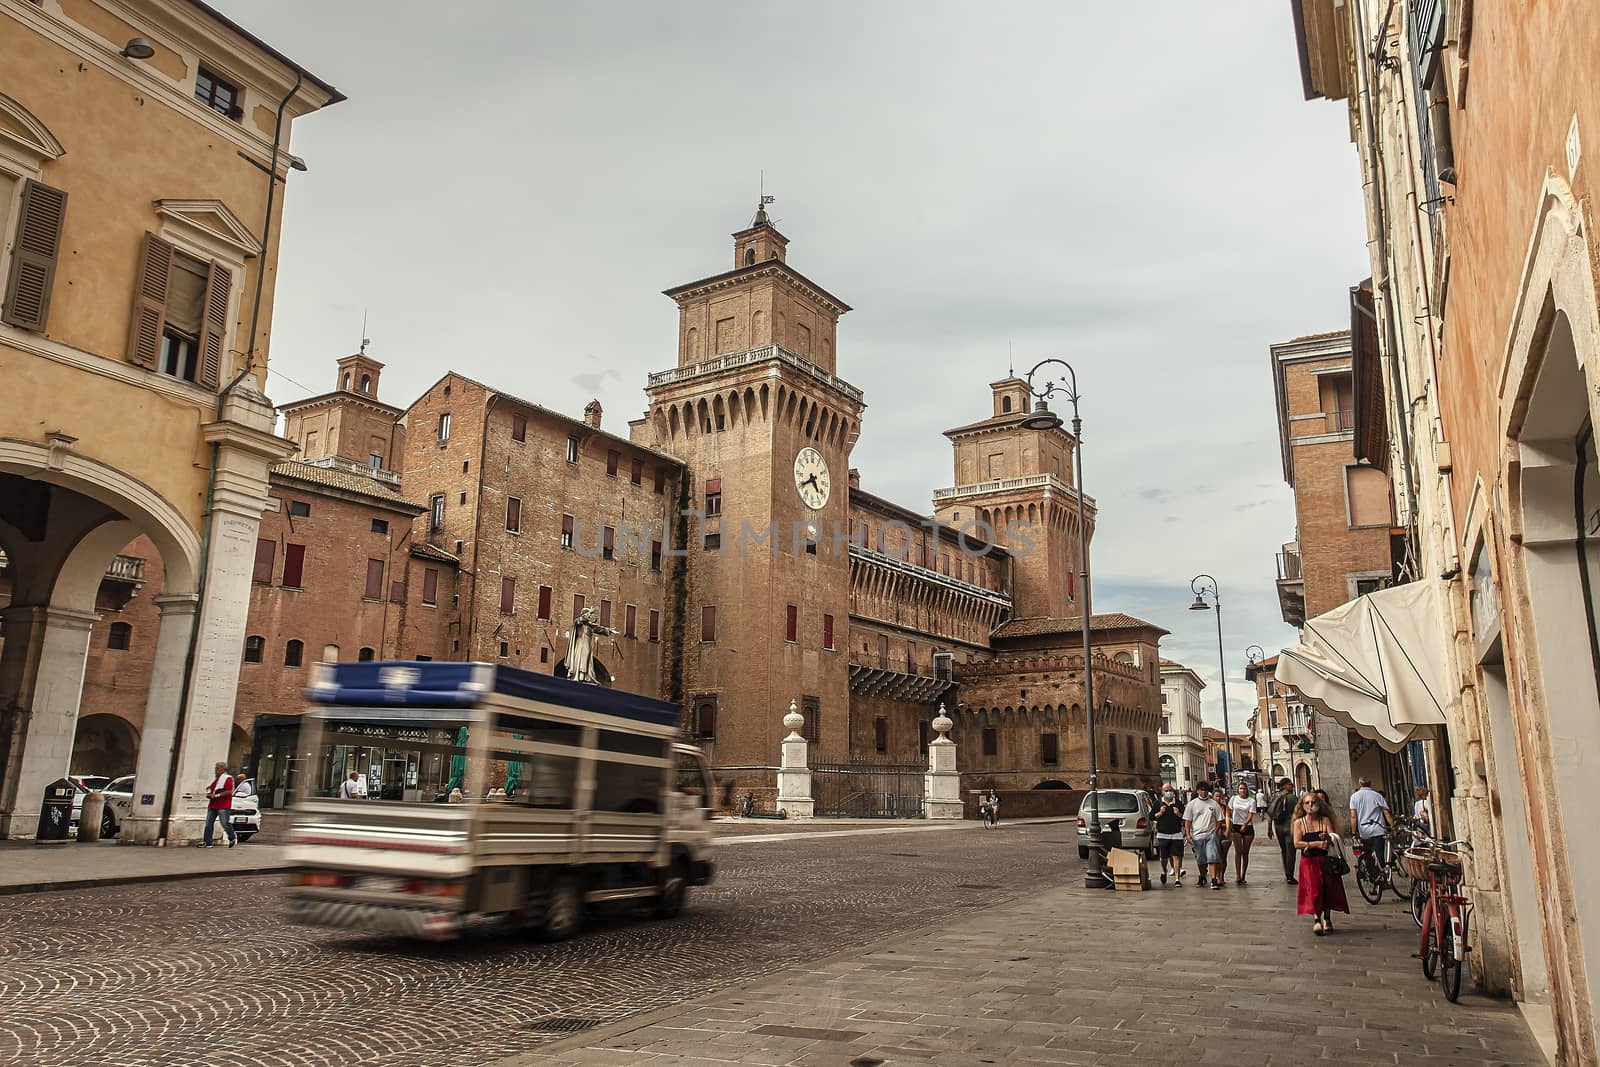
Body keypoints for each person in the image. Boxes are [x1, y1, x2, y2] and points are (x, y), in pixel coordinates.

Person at [1293, 791, 1350, 934]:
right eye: (1307, 803)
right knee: (1314, 890)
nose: (1310, 806)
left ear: (1319, 805)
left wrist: (1328, 837)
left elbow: (1333, 838)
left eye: (1313, 803)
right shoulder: (1299, 823)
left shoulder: (1325, 820)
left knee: (1328, 889)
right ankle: (1316, 919)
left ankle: (1327, 918)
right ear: (1302, 806)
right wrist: (1315, 844)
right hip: (1309, 862)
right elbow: (1296, 843)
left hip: (1326, 860)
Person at [1183, 781, 1227, 890]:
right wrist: (1188, 834)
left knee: (1212, 857)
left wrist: (1215, 830)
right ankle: (1202, 875)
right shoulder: (1192, 804)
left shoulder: (1213, 804)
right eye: (1201, 790)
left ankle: (1213, 879)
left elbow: (1219, 819)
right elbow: (1188, 820)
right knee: (1201, 859)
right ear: (1197, 791)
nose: (1203, 792)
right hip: (1197, 835)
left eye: (1205, 790)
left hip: (1210, 834)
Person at [1349, 776, 1394, 867]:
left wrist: (1353, 832)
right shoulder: (1377, 795)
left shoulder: (1354, 797)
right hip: (1378, 829)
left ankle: (1371, 872)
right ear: (1370, 783)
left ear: (1360, 784)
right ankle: (1383, 873)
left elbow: (1353, 816)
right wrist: (1393, 827)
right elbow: (1387, 813)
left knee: (1367, 854)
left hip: (1363, 830)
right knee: (1379, 854)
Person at [1265, 778, 1300, 884]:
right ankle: (1290, 875)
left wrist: (1269, 828)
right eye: (1290, 784)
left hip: (1278, 827)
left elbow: (1270, 813)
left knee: (1284, 850)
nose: (1292, 786)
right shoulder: (1293, 797)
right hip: (1290, 827)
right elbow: (1300, 812)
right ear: (1285, 785)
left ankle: (1287, 873)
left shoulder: (1275, 797)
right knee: (1291, 852)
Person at [1153, 785, 1186, 886]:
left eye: (1170, 790)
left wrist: (1178, 814)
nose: (1168, 792)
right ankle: (1164, 870)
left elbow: (1184, 816)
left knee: (1176, 856)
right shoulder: (1158, 803)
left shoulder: (1177, 803)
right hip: (1163, 834)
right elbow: (1152, 816)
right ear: (1162, 792)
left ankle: (1177, 879)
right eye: (1166, 790)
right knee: (1164, 857)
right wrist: (1160, 813)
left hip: (1176, 834)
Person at [1228, 779, 1259, 885]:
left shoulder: (1251, 801)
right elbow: (1229, 811)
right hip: (1236, 826)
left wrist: (1245, 824)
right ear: (1238, 790)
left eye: (1244, 789)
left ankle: (1243, 875)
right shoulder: (1233, 799)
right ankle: (1237, 875)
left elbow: (1251, 814)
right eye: (1241, 789)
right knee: (1238, 851)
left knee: (1245, 852)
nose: (1243, 791)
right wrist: (1228, 823)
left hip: (1247, 827)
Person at [202, 761, 237, 849]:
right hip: (213, 804)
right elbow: (212, 790)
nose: (215, 770)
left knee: (224, 823)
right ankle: (207, 842)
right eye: (215, 768)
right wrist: (209, 793)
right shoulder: (216, 780)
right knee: (208, 823)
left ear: (222, 769)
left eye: (217, 768)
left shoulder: (228, 778)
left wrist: (216, 795)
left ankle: (232, 837)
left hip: (223, 805)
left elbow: (229, 791)